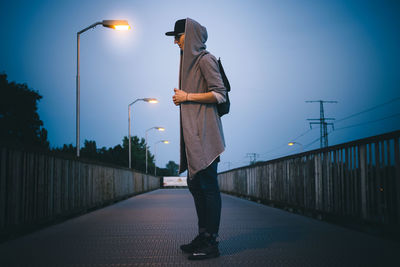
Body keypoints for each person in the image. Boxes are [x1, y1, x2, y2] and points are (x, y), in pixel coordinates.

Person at [165, 18, 226, 260]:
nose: (175, 41)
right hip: (194, 137)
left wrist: (187, 96)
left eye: (178, 36)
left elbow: (220, 94)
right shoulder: (188, 64)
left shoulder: (205, 60)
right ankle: (203, 235)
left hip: (207, 136)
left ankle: (212, 241)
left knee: (209, 187)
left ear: (189, 36)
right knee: (196, 184)